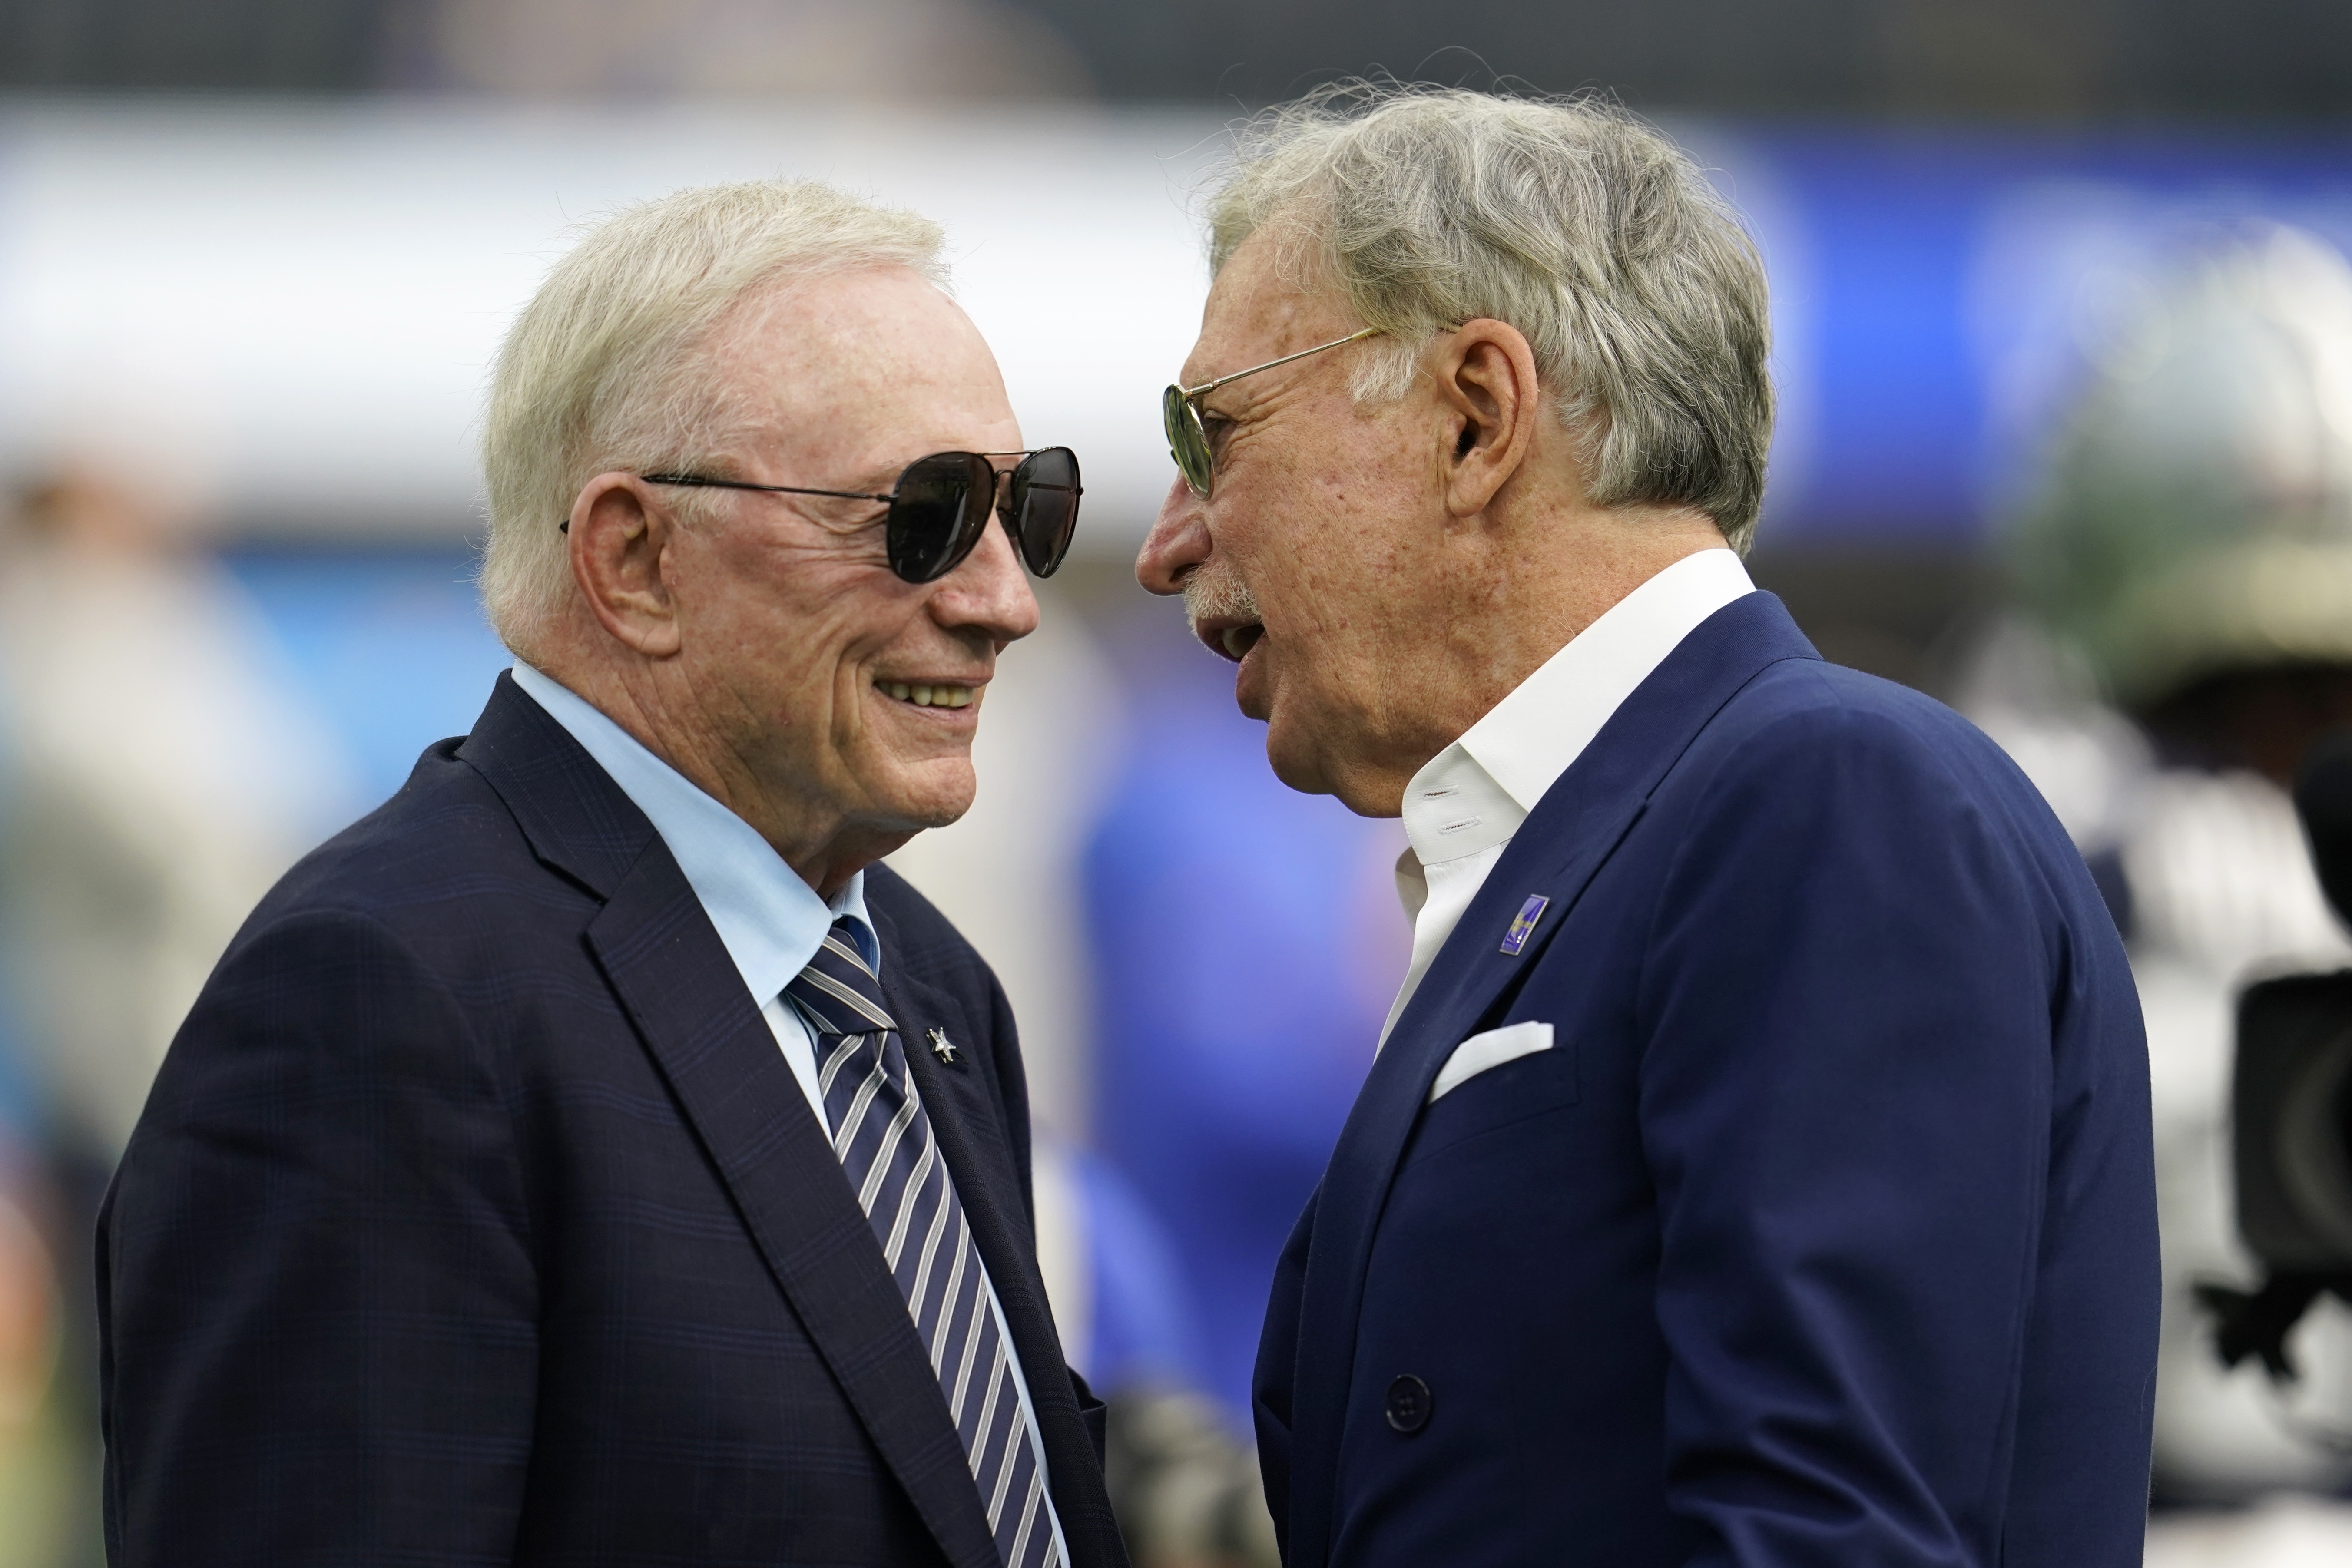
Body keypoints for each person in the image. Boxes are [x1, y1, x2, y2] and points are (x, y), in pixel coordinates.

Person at [1136, 86, 2160, 1567]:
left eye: (1211, 432)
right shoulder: (1617, 837)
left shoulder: (1822, 796)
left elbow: (1827, 1536)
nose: (1170, 540)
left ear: (1478, 417)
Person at [99, 179, 1121, 1568]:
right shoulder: (378, 1004)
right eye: (926, 515)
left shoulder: (923, 984)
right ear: (635, 559)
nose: (1004, 599)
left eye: (1028, 509)